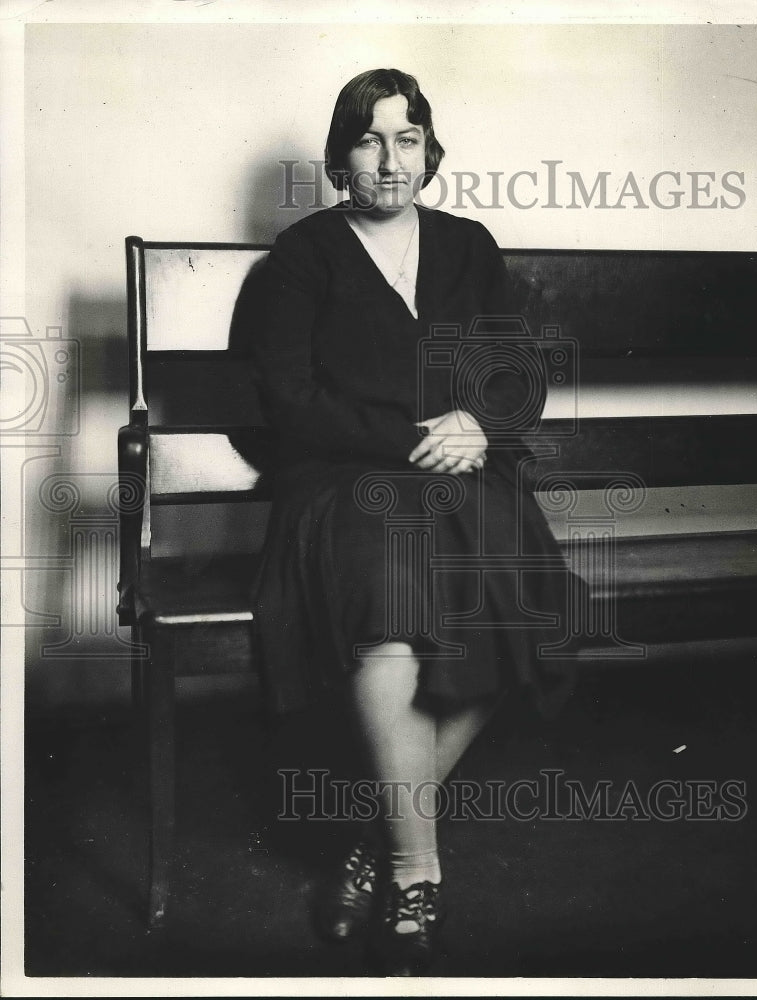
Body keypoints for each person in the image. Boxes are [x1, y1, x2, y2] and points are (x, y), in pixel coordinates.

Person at [237, 68, 575, 975]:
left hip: (464, 472)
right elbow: (287, 400)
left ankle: (369, 831)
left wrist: (479, 423)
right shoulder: (303, 256)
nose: (390, 159)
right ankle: (413, 867)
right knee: (390, 624)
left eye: (408, 139)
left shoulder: (469, 245)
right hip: (345, 480)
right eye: (369, 138)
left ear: (430, 152)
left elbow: (516, 375)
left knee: (520, 604)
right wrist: (411, 440)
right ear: (341, 156)